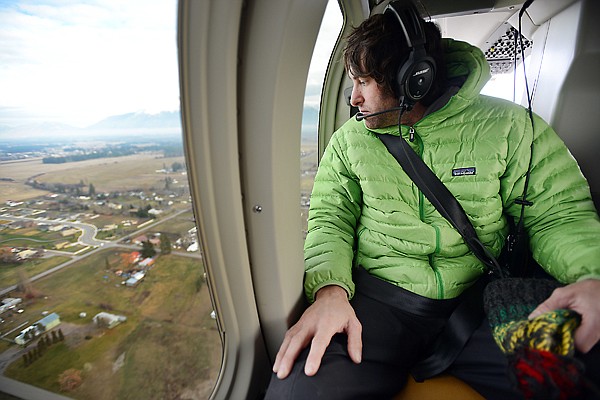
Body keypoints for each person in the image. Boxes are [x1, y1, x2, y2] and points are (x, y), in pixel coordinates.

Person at [264, 1, 600, 398]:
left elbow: (557, 214)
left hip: (474, 303)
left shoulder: (512, 127)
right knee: (299, 390)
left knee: (582, 368)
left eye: (364, 82)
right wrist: (330, 293)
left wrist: (592, 276)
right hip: (380, 303)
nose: (353, 99)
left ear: (414, 80)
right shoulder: (347, 142)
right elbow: (329, 221)